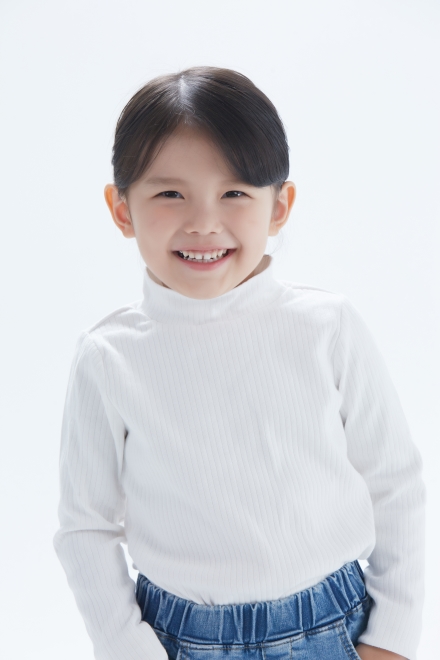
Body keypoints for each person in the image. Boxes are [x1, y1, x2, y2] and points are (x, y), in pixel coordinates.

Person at [53, 66, 425, 660]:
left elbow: (395, 480)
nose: (204, 222)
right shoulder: (109, 357)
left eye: (234, 193)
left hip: (333, 629)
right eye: (169, 194)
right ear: (121, 210)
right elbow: (85, 528)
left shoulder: (326, 327)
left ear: (279, 206)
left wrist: (394, 635)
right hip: (179, 639)